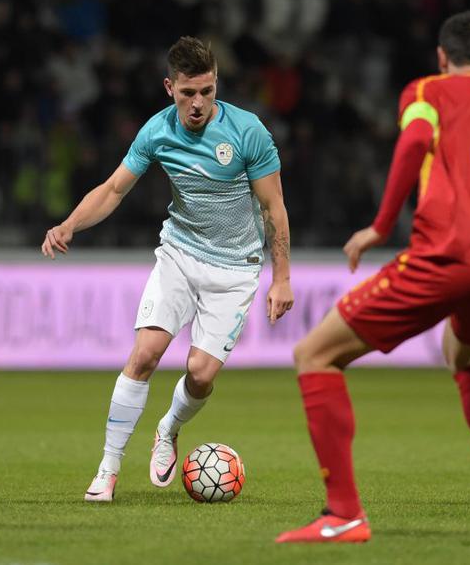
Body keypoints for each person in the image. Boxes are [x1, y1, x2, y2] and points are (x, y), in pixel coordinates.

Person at [276, 11, 470, 543]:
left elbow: (415, 141)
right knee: (463, 355)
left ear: (443, 58)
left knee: (314, 355)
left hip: (447, 257)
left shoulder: (427, 90)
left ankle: (344, 514)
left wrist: (380, 226)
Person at [41, 36, 294, 502]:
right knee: (144, 356)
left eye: (207, 91)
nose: (198, 103)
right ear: (169, 87)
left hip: (235, 269)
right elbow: (113, 190)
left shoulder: (248, 131)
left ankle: (169, 426)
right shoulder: (157, 132)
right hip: (180, 254)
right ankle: (107, 469)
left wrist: (281, 278)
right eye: (188, 93)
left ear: (216, 85)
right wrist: (69, 224)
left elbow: (273, 207)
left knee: (200, 374)